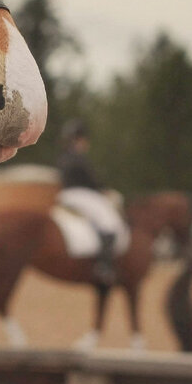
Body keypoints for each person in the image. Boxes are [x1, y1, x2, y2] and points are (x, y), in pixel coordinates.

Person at [56, 119, 127, 287]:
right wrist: (104, 190)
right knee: (109, 223)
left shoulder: (63, 156)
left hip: (65, 195)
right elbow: (91, 181)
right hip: (81, 195)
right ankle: (104, 267)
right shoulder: (78, 157)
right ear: (80, 139)